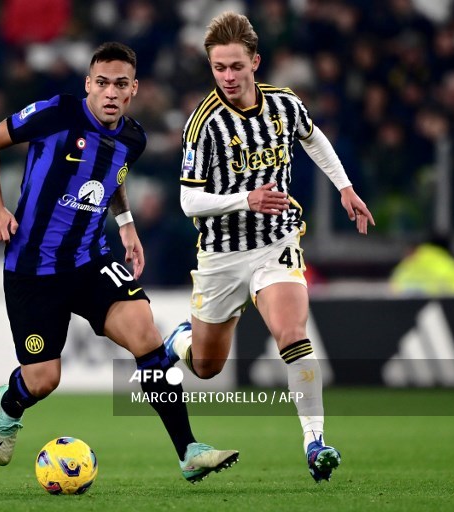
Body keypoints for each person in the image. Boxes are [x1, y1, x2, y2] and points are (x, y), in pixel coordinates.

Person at [0, 42, 238, 483]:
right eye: (101, 84)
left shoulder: (134, 138)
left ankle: (188, 451)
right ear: (88, 85)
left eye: (119, 84)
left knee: (144, 333)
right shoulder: (56, 113)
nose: (110, 93)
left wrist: (127, 223)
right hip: (32, 268)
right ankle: (10, 403)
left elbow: (110, 178)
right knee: (42, 379)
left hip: (89, 258)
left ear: (133, 89)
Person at [163, 12, 375, 483]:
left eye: (236, 66)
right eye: (219, 68)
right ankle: (180, 339)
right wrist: (247, 198)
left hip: (276, 241)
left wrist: (343, 187)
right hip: (221, 254)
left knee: (292, 333)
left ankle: (315, 442)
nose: (228, 77)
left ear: (255, 62)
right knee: (206, 367)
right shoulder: (204, 125)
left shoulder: (284, 104)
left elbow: (313, 136)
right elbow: (187, 200)